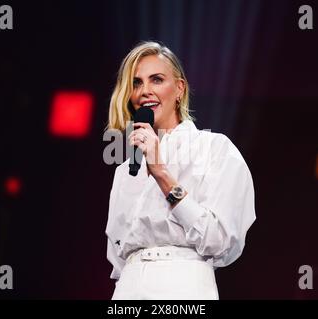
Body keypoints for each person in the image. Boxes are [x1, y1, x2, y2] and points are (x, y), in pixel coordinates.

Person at [105, 41, 256, 300]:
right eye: (137, 83)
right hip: (128, 288)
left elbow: (220, 240)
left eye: (157, 79)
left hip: (183, 284)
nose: (145, 91)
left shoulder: (214, 149)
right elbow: (117, 253)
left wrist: (161, 172)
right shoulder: (124, 169)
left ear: (179, 89)